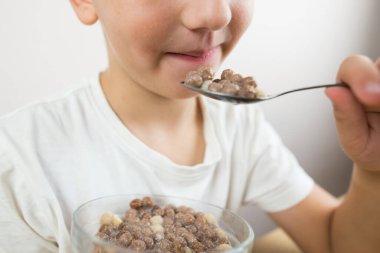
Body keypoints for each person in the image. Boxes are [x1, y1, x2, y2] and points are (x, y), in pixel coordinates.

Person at [0, 0, 379, 252]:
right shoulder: (21, 160)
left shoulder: (238, 128)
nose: (215, 15)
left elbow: (335, 240)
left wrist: (372, 170)